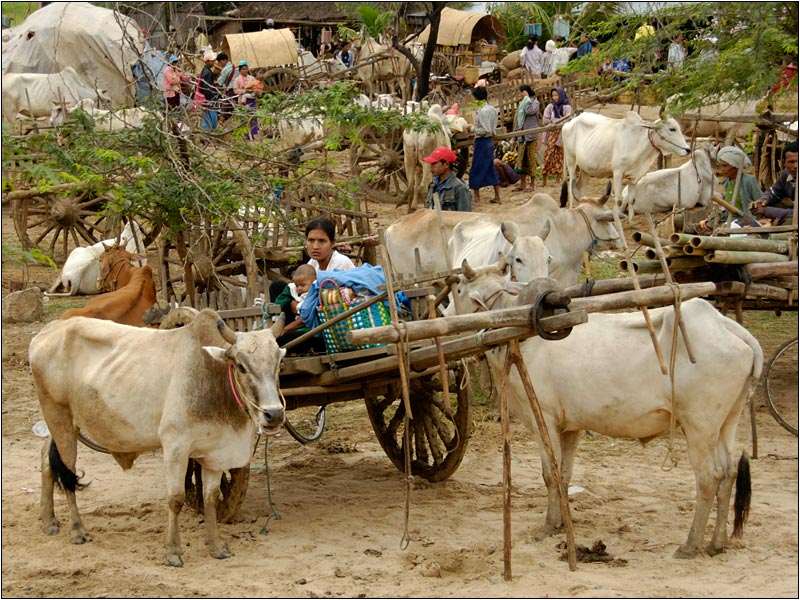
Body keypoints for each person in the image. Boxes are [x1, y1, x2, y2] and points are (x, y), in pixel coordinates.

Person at [697, 146, 763, 233]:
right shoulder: (727, 183)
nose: (722, 169)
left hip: (745, 221)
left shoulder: (749, 181)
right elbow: (725, 209)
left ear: (734, 166)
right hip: (729, 219)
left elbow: (760, 202)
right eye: (721, 166)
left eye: (725, 166)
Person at [750, 141, 798, 226]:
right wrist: (763, 201)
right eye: (791, 162)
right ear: (783, 162)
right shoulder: (786, 174)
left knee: (790, 223)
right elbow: (774, 192)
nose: (796, 166)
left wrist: (766, 210)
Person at [468, 83, 501, 204]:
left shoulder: (483, 111)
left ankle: (477, 197)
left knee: (476, 168)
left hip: (482, 142)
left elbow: (485, 130)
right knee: (490, 168)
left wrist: (472, 129)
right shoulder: (492, 109)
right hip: (489, 142)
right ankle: (497, 196)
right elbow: (492, 129)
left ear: (477, 98)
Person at [539, 87, 572, 187]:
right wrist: (553, 123)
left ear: (561, 95)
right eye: (553, 95)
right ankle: (544, 179)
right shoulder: (550, 107)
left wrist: (557, 123)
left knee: (559, 156)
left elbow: (567, 119)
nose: (554, 97)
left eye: (556, 95)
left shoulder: (567, 107)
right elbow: (545, 120)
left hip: (562, 134)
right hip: (551, 134)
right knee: (548, 154)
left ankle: (558, 180)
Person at [423, 146, 472, 211]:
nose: (431, 167)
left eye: (434, 163)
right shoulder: (433, 185)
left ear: (446, 164)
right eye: (431, 164)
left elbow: (465, 216)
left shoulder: (460, 188)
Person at [513, 85, 540, 192]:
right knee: (521, 160)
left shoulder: (534, 103)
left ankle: (532, 184)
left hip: (531, 136)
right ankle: (523, 183)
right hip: (522, 136)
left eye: (522, 92)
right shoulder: (521, 105)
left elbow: (529, 111)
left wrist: (527, 99)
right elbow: (517, 121)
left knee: (531, 159)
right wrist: (514, 138)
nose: (520, 95)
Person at [233, 61, 260, 139]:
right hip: (242, 101)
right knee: (244, 117)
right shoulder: (237, 80)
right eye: (243, 69)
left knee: (253, 117)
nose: (245, 71)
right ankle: (245, 134)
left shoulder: (251, 78)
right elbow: (235, 90)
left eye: (246, 69)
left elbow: (256, 86)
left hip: (251, 100)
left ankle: (253, 133)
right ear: (240, 70)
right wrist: (244, 91)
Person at [197, 50, 220, 130]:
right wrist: (212, 96)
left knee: (210, 114)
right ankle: (206, 129)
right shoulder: (208, 72)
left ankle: (208, 129)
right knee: (211, 114)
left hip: (207, 96)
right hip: (208, 97)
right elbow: (205, 87)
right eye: (212, 61)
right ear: (207, 62)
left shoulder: (205, 70)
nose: (213, 63)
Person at [215, 52, 236, 124]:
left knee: (225, 109)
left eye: (220, 62)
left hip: (231, 90)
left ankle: (220, 125)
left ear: (224, 60)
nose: (220, 64)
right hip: (239, 90)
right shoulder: (234, 66)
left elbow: (220, 82)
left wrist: (215, 82)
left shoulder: (226, 69)